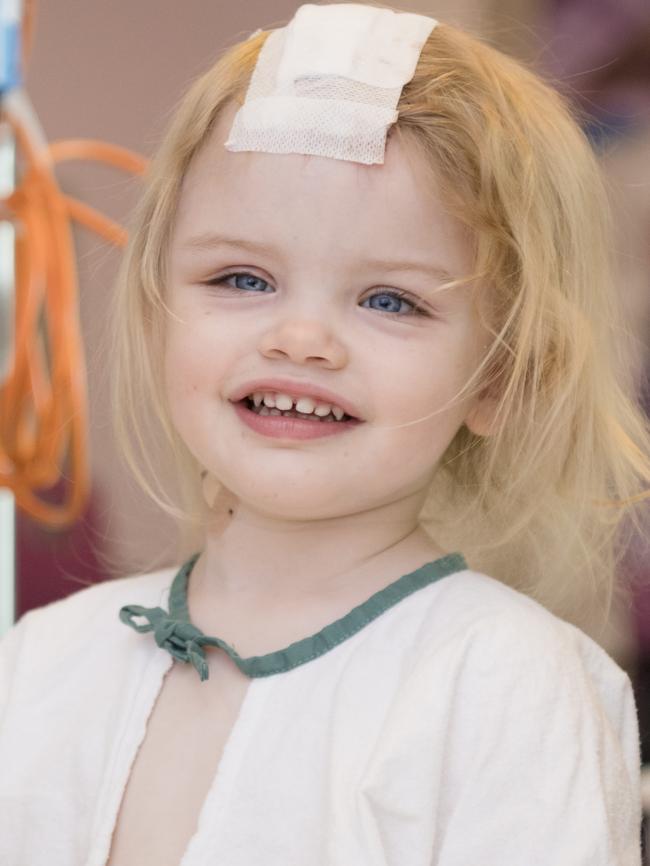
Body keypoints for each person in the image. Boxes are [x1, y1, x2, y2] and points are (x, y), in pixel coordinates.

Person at [1, 4, 649, 865]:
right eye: (242, 277)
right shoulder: (42, 663)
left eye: (390, 300)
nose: (301, 339)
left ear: (501, 377)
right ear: (159, 312)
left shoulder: (510, 690)